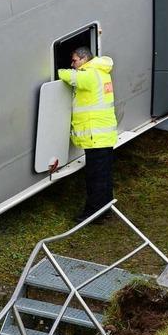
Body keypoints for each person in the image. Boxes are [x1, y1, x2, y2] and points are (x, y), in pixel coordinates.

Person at [58, 47, 118, 223]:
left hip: (96, 137)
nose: (72, 64)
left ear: (84, 59)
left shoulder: (90, 74)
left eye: (75, 60)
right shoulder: (102, 72)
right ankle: (106, 210)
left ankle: (93, 214)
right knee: (104, 176)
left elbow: (67, 76)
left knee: (95, 178)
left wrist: (58, 70)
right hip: (104, 135)